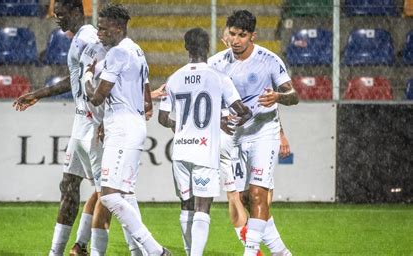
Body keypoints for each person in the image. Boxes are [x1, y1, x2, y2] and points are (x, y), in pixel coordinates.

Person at [13, 1, 112, 255]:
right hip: (81, 123)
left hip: (93, 124)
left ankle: (107, 246)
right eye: (56, 15)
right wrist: (39, 93)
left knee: (109, 194)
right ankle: (61, 251)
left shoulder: (90, 37)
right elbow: (76, 77)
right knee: (69, 188)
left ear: (78, 12)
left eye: (62, 14)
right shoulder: (79, 37)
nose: (58, 19)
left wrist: (103, 121)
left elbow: (104, 78)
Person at [208, 10, 299, 256]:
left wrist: (278, 97)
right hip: (234, 137)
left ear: (253, 36)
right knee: (246, 198)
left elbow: (294, 96)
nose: (236, 40)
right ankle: (281, 252)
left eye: (242, 35)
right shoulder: (216, 63)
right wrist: (218, 119)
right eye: (233, 34)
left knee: (259, 194)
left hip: (263, 132)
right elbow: (207, 100)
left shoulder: (269, 60)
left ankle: (250, 252)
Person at [158, 27, 252, 255]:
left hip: (180, 151)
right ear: (208, 46)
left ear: (186, 47)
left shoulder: (174, 78)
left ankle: (189, 250)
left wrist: (178, 126)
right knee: (202, 207)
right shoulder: (218, 77)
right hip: (204, 151)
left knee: (186, 205)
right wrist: (235, 120)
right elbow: (242, 111)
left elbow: (163, 119)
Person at [86, 4, 171, 256]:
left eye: (103, 28)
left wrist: (87, 78)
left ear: (118, 27)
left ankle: (156, 251)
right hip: (131, 125)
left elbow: (97, 97)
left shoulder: (116, 54)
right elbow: (146, 100)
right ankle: (139, 252)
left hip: (123, 128)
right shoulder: (137, 50)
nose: (99, 32)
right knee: (127, 195)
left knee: (110, 196)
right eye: (98, 27)